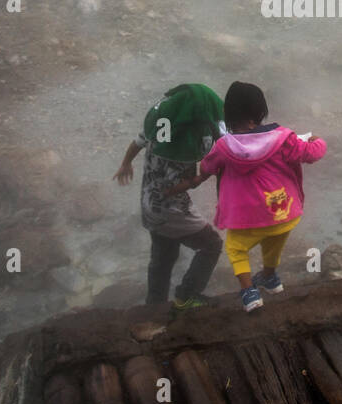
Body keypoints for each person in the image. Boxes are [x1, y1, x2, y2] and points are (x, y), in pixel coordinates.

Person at [164, 81, 326, 312]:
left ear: (228, 115)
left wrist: (194, 177)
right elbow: (312, 153)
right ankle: (270, 278)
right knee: (273, 243)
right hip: (285, 215)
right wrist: (318, 140)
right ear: (260, 112)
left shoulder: (224, 146)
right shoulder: (284, 138)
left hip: (250, 218)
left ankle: (249, 292)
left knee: (236, 248)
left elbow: (208, 167)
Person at [113, 83, 225, 309]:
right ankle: (187, 294)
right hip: (171, 211)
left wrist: (126, 163)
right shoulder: (184, 149)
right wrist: (198, 179)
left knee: (163, 258)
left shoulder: (160, 128)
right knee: (211, 245)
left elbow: (137, 142)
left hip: (149, 205)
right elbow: (169, 189)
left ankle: (154, 304)